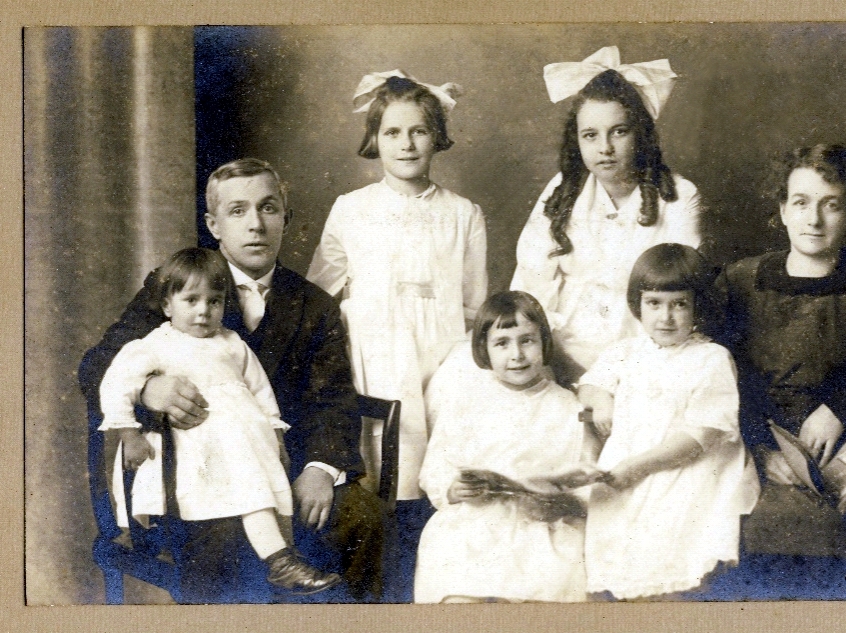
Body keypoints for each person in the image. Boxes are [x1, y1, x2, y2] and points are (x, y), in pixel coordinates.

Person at [79, 158, 383, 603]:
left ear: (286, 219)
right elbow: (96, 366)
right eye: (238, 211)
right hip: (195, 466)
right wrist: (148, 390)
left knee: (362, 516)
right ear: (214, 224)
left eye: (268, 208)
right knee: (219, 536)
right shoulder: (178, 285)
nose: (256, 225)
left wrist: (320, 469)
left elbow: (334, 401)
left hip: (287, 466)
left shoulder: (314, 305)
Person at [713, 144, 846, 592]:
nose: (814, 220)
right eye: (801, 202)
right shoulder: (739, 280)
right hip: (764, 458)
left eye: (831, 205)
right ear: (783, 209)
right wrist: (762, 451)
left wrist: (842, 405)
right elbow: (714, 382)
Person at [305, 72, 487, 602]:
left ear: (437, 138)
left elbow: (474, 306)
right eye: (392, 132)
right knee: (379, 487)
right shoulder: (351, 209)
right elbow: (319, 296)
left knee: (428, 489)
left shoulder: (463, 214)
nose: (406, 144)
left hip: (440, 358)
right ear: (375, 139)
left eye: (419, 131)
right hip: (376, 358)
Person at [98, 247, 341, 595]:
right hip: (193, 455)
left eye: (214, 301)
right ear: (168, 306)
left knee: (253, 491)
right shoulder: (155, 345)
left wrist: (276, 435)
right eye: (191, 300)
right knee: (246, 496)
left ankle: (281, 562)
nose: (202, 311)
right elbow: (116, 383)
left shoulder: (233, 343)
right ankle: (279, 560)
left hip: (241, 452)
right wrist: (129, 432)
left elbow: (261, 392)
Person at [558, 243, 758, 600]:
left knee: (670, 546)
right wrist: (601, 399)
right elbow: (589, 385)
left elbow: (700, 437)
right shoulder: (626, 350)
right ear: (638, 304)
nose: (665, 317)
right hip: (629, 466)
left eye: (679, 304)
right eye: (654, 303)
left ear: (698, 305)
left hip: (685, 464)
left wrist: (637, 466)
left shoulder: (710, 358)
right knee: (614, 544)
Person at [511, 46, 702, 386]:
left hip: (642, 349)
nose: (605, 148)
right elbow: (531, 281)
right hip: (561, 348)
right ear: (578, 140)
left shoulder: (678, 196)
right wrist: (543, 356)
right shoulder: (563, 189)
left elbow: (679, 290)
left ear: (640, 133)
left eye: (619, 131)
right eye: (590, 135)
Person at [414, 291, 588, 603]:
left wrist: (559, 500)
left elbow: (585, 478)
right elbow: (435, 468)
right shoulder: (465, 402)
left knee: (544, 589)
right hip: (474, 524)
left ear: (545, 343)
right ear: (484, 349)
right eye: (502, 343)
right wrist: (452, 488)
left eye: (527, 340)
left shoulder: (567, 406)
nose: (517, 354)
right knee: (459, 587)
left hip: (542, 528)